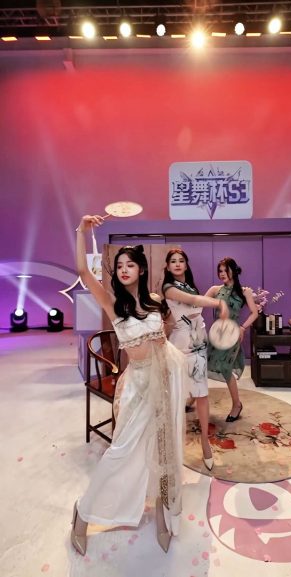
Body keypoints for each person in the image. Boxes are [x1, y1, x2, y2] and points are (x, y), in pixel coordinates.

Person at [70, 215, 187, 554]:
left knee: (164, 449)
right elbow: (83, 272)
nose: (123, 270)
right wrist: (82, 231)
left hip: (166, 378)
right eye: (119, 266)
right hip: (138, 384)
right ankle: (82, 515)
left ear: (141, 269)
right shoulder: (112, 303)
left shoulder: (154, 300)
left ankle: (163, 517)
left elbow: (165, 336)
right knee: (121, 451)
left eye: (129, 265)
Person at [162, 249, 228, 471]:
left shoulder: (190, 286)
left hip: (199, 344)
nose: (177, 264)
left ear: (186, 264)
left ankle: (205, 442)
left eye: (181, 261)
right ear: (168, 266)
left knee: (201, 393)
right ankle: (171, 443)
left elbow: (195, 302)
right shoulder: (168, 287)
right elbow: (192, 301)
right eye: (173, 261)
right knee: (176, 394)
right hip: (179, 346)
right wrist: (218, 304)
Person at [205, 257, 258, 422]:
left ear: (233, 271)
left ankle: (237, 405)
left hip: (232, 335)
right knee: (203, 364)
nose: (222, 274)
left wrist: (243, 327)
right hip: (216, 334)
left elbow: (255, 313)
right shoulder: (215, 290)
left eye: (225, 270)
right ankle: (194, 398)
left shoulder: (244, 291)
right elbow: (198, 303)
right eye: (220, 271)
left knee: (225, 368)